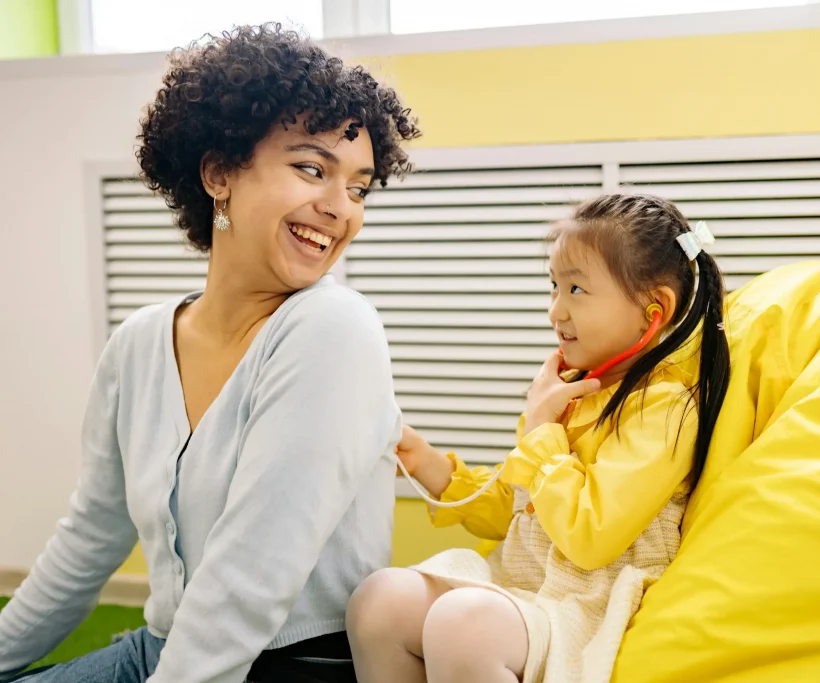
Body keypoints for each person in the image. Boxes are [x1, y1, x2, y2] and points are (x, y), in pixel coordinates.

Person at [0, 23, 419, 683]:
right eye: (312, 168)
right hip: (160, 650)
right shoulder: (140, 343)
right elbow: (86, 542)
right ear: (219, 173)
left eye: (360, 186)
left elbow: (246, 585)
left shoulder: (335, 330)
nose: (341, 208)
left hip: (284, 668)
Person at [347, 193, 733, 683]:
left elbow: (589, 537)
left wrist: (543, 432)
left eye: (577, 290)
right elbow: (519, 513)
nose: (556, 311)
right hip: (523, 587)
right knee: (377, 602)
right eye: (554, 286)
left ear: (653, 310)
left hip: (589, 602)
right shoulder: (565, 394)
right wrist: (426, 462)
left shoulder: (663, 407)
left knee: (462, 626)